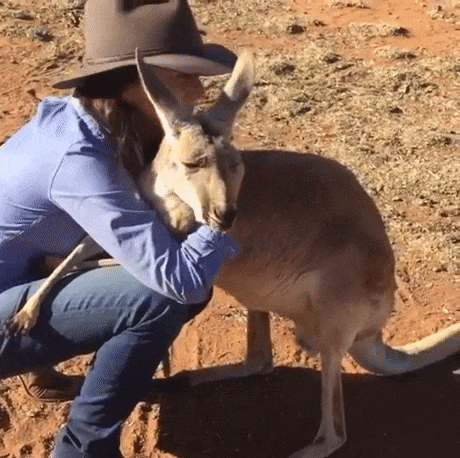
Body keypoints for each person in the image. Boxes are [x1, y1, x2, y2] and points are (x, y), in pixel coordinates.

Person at [0, 0, 241, 456]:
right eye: (179, 76)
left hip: (16, 281)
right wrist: (223, 217)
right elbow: (182, 282)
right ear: (133, 84)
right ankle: (84, 450)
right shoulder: (78, 157)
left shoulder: (96, 122)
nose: (196, 89)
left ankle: (41, 368)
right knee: (160, 297)